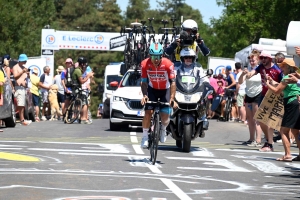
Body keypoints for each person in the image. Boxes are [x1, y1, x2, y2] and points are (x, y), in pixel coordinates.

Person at [140, 43, 177, 148]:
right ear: (149, 56)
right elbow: (143, 82)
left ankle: (163, 129)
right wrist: (145, 95)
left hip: (165, 89)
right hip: (152, 90)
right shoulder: (144, 64)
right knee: (148, 112)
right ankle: (145, 137)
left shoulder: (168, 64)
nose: (156, 60)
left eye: (158, 57)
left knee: (165, 116)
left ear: (162, 56)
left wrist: (172, 98)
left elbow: (173, 82)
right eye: (153, 57)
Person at [246, 51, 283, 152]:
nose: (263, 60)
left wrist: (271, 82)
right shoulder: (260, 67)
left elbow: (282, 84)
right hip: (264, 96)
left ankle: (270, 143)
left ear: (269, 59)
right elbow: (252, 73)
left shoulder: (277, 70)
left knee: (271, 121)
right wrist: (248, 74)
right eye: (261, 58)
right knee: (260, 119)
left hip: (275, 96)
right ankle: (269, 140)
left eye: (265, 58)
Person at [265, 58, 300, 161]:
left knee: (283, 130)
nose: (281, 68)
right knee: (295, 131)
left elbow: (276, 90)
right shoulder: (295, 76)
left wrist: (267, 84)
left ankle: (287, 154)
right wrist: (272, 81)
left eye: (283, 66)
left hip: (290, 103)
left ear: (288, 67)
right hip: (297, 102)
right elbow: (282, 86)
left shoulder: (286, 77)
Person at [175, 48, 209, 131]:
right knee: (170, 100)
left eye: (190, 57)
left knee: (203, 99)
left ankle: (204, 119)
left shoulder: (198, 68)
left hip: (194, 91)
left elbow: (204, 78)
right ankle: (167, 120)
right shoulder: (176, 67)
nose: (188, 59)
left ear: (193, 58)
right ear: (182, 58)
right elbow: (172, 76)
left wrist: (207, 83)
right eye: (186, 57)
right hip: (180, 91)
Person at [239, 53, 262, 146]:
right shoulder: (247, 70)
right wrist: (242, 74)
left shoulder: (260, 70)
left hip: (258, 94)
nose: (252, 62)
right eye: (251, 60)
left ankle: (258, 140)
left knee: (257, 118)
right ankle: (251, 139)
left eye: (254, 60)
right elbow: (240, 81)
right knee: (250, 118)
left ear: (258, 60)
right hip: (248, 94)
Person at [71, 57, 94, 124]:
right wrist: (88, 76)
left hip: (76, 88)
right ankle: (83, 118)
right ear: (83, 64)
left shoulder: (78, 70)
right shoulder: (78, 71)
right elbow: (82, 81)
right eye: (85, 64)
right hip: (77, 89)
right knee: (84, 102)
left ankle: (81, 118)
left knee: (80, 103)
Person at [12, 54, 31, 125]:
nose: (26, 62)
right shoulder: (15, 67)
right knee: (20, 104)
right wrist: (22, 72)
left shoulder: (24, 67)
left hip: (23, 88)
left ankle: (22, 118)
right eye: (24, 60)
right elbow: (15, 77)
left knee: (22, 104)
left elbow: (27, 78)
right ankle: (21, 119)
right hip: (18, 87)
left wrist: (28, 74)